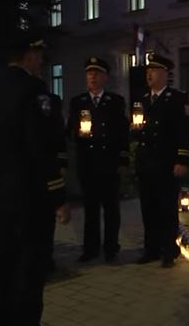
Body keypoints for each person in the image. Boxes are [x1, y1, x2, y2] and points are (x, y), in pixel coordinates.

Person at [0, 37, 70, 326]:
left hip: (1, 194)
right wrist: (58, 196)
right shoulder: (34, 91)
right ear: (29, 56)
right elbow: (41, 148)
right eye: (39, 55)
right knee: (31, 268)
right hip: (32, 197)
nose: (42, 61)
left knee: (3, 264)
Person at [133, 53, 189, 268]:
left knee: (167, 209)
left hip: (166, 163)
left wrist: (182, 160)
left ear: (164, 74)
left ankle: (169, 250)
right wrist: (134, 131)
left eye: (154, 71)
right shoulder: (141, 100)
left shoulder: (177, 98)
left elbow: (185, 132)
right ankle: (151, 249)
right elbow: (138, 131)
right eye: (148, 71)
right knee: (148, 208)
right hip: (146, 163)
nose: (149, 74)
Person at [67, 56, 129, 263]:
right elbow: (69, 131)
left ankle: (111, 248)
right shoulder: (78, 102)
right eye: (89, 73)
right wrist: (78, 133)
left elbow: (122, 134)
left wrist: (122, 160)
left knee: (111, 208)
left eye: (96, 73)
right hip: (88, 163)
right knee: (90, 208)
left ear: (105, 77)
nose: (92, 77)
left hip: (109, 163)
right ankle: (90, 248)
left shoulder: (115, 102)